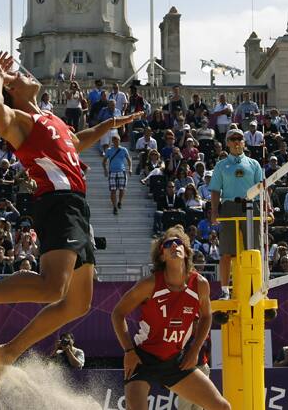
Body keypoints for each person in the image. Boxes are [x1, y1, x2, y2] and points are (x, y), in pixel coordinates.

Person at [0, 52, 142, 395]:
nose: (23, 74)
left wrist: (107, 126)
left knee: (78, 303)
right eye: (17, 76)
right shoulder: (20, 120)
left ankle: (7, 352)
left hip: (76, 207)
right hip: (57, 203)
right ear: (13, 91)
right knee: (52, 288)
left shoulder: (52, 119)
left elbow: (75, 142)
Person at [110, 227, 229, 410]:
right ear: (162, 255)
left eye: (179, 242)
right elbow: (117, 314)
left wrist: (195, 349)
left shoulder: (200, 284)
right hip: (143, 359)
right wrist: (128, 351)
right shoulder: (149, 284)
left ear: (186, 251)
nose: (174, 245)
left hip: (175, 361)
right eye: (168, 244)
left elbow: (206, 316)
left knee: (222, 407)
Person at [209, 128, 265, 300]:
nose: (236, 141)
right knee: (226, 252)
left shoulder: (253, 164)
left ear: (244, 141)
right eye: (232, 138)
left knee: (254, 250)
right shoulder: (221, 165)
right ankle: (225, 290)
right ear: (227, 142)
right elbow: (215, 191)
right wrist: (214, 212)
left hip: (251, 207)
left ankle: (255, 288)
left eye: (239, 138)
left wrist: (266, 208)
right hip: (229, 207)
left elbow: (262, 188)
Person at [102, 134, 132, 215]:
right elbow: (104, 161)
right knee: (113, 190)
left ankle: (120, 202)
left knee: (122, 189)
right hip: (112, 172)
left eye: (117, 140)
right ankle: (114, 207)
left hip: (121, 171)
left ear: (119, 140)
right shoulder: (109, 150)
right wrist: (105, 170)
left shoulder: (123, 149)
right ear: (112, 141)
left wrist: (130, 168)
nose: (116, 141)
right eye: (114, 140)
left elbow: (129, 159)